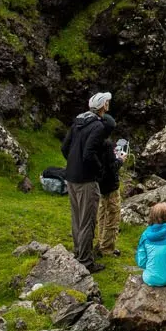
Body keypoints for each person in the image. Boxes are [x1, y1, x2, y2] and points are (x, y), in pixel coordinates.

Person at [61, 91, 112, 272]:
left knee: (77, 219)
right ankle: (86, 262)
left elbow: (65, 147)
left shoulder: (78, 122)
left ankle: (78, 253)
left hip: (71, 178)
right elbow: (89, 152)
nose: (108, 104)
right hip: (86, 180)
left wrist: (73, 165)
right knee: (88, 221)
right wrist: (98, 170)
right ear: (103, 106)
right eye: (107, 102)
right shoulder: (97, 127)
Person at [95, 115, 125, 258]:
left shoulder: (94, 141)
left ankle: (100, 241)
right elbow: (112, 167)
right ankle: (107, 248)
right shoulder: (107, 145)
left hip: (99, 184)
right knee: (113, 215)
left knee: (102, 214)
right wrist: (120, 160)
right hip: (111, 185)